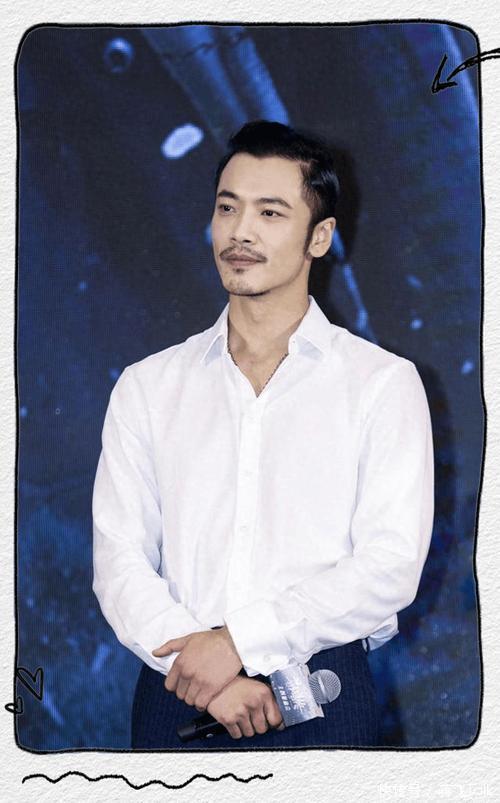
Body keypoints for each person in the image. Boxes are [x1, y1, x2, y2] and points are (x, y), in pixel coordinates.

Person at [92, 120, 434, 749]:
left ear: (319, 236)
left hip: (324, 693)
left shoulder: (381, 384)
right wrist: (204, 669)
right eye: (228, 208)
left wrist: (238, 643)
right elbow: (119, 559)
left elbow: (389, 566)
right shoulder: (149, 386)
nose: (240, 232)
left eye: (270, 212)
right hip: (177, 690)